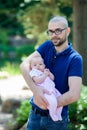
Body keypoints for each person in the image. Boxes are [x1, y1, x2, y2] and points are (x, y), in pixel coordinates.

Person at [20, 16, 83, 130]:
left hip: (57, 121)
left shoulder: (75, 58)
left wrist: (48, 103)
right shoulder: (47, 46)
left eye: (58, 30)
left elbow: (74, 94)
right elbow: (24, 65)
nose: (54, 35)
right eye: (51, 31)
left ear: (67, 31)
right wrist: (36, 91)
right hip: (35, 115)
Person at [29, 56, 62, 121]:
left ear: (44, 65)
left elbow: (52, 78)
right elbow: (38, 80)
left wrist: (49, 74)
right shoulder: (33, 72)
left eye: (40, 64)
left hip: (53, 90)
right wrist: (45, 75)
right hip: (45, 91)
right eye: (35, 65)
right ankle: (52, 114)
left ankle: (58, 113)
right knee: (53, 102)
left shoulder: (45, 71)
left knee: (60, 101)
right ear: (31, 67)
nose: (38, 66)